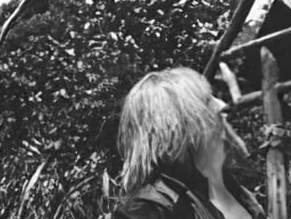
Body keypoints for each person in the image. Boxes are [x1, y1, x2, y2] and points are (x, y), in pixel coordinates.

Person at [111, 68, 263, 219]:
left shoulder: (230, 187)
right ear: (176, 129)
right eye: (207, 103)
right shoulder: (147, 211)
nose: (221, 106)